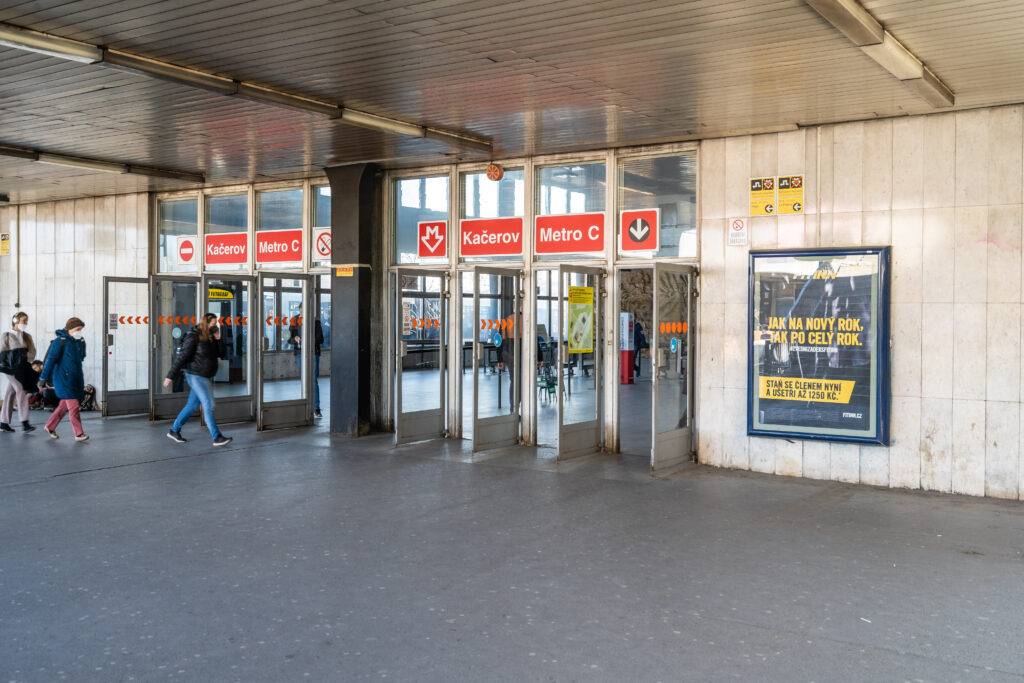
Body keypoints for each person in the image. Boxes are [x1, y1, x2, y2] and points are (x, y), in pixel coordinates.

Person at [164, 313, 232, 446]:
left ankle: (174, 430)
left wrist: (218, 338)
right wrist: (170, 376)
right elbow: (182, 357)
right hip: (196, 376)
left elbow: (221, 354)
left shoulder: (211, 337)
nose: (216, 326)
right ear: (206, 323)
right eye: (213, 323)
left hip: (205, 376)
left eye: (216, 323)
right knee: (209, 404)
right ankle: (217, 436)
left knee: (192, 405)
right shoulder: (193, 336)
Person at [40, 317, 89, 441]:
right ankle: (78, 433)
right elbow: (51, 360)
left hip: (76, 378)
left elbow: (82, 357)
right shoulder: (59, 341)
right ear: (70, 329)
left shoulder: (79, 341)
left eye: (81, 329)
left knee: (64, 405)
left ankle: (49, 426)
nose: (79, 332)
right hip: (63, 379)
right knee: (74, 406)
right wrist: (43, 377)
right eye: (77, 329)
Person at [0, 311, 37, 433]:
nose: (26, 322)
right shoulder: (6, 335)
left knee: (10, 393)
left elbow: (32, 352)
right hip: (10, 368)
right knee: (21, 390)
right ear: (15, 321)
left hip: (23, 367)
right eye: (23, 320)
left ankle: (3, 423)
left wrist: (23, 357)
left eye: (27, 320)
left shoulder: (27, 337)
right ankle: (25, 422)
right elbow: (2, 352)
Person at [288, 318, 325, 418]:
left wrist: (307, 341)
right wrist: (295, 339)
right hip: (299, 354)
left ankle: (316, 408)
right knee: (304, 380)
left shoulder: (315, 322)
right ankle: (306, 406)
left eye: (303, 311)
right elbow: (289, 339)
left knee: (313, 380)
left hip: (313, 353)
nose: (302, 312)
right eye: (300, 311)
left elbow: (320, 339)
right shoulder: (294, 321)